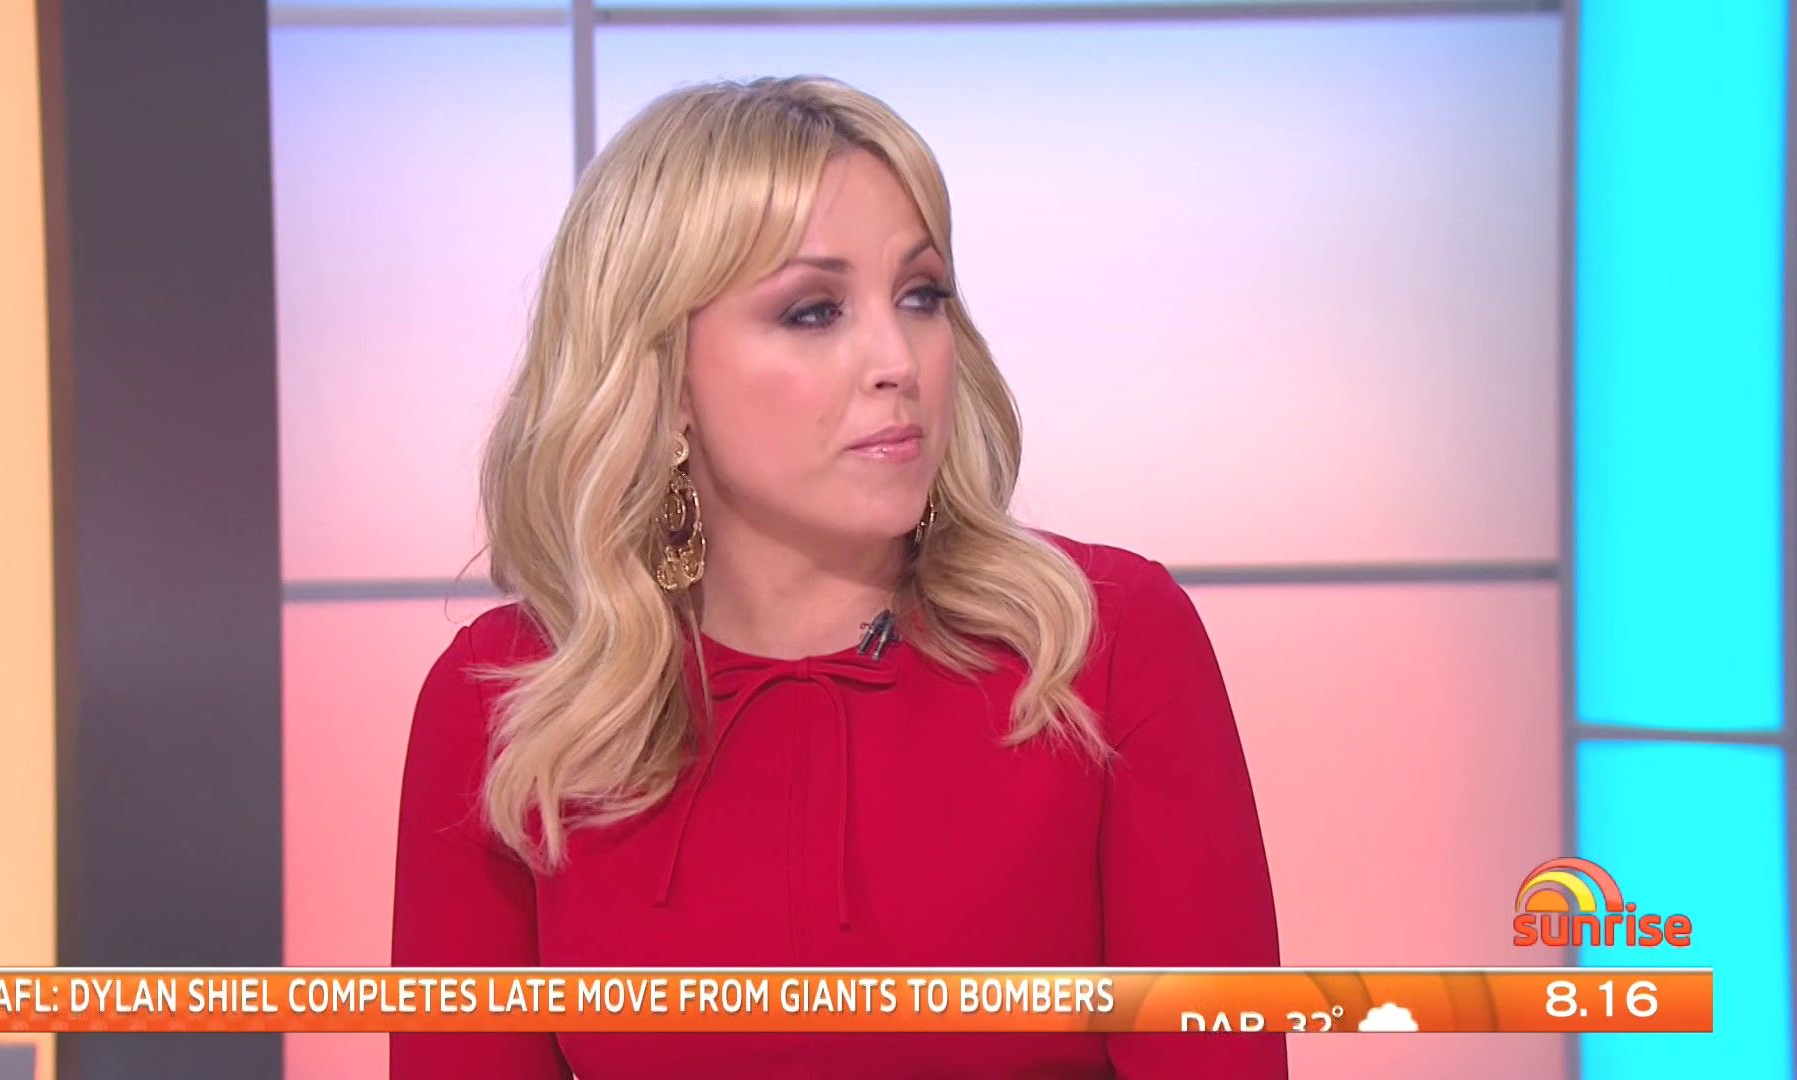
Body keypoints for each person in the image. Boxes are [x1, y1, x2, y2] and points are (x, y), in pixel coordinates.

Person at [391, 74, 1284, 1078]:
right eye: (814, 310)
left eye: (921, 295)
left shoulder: (1102, 645)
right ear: (663, 379)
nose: (898, 358)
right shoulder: (509, 708)